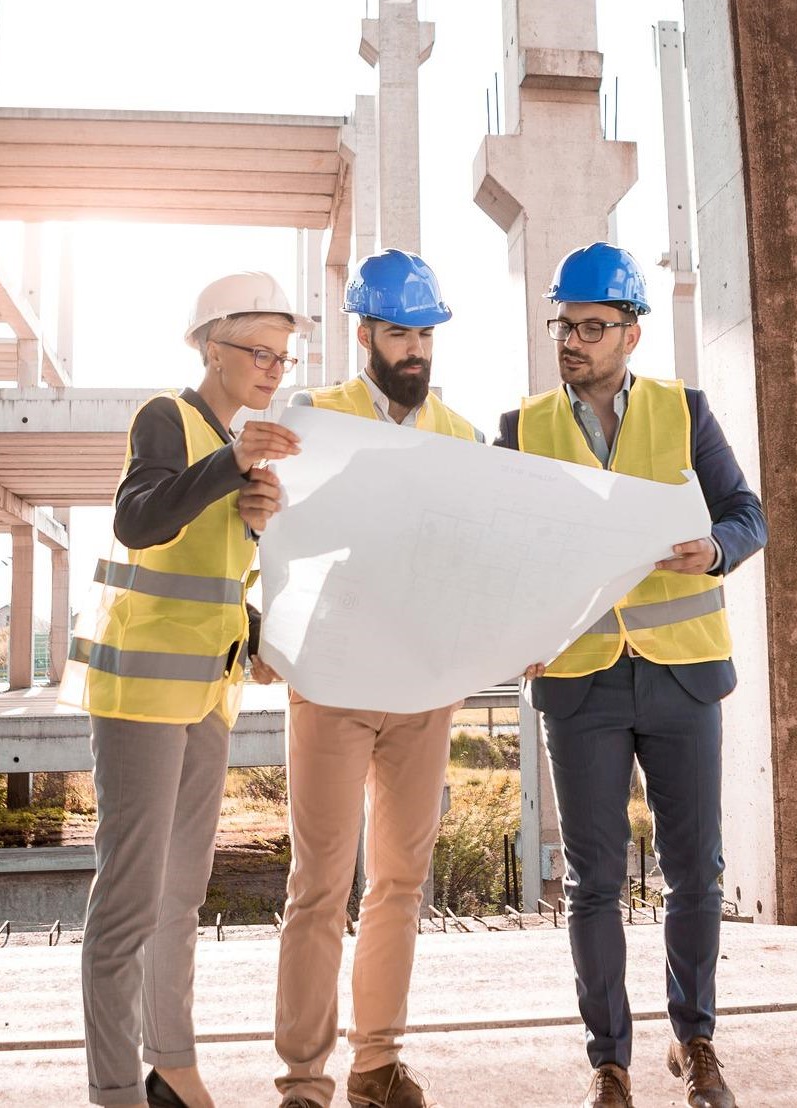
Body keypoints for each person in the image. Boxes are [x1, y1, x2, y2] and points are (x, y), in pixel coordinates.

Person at [493, 243, 766, 1108]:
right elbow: (500, 551)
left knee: (695, 872)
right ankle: (608, 1061)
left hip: (681, 676)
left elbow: (746, 514)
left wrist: (714, 548)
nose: (570, 340)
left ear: (631, 334)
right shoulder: (521, 427)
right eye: (562, 325)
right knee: (594, 882)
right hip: (580, 682)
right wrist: (514, 631)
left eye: (590, 326)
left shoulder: (683, 412)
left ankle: (695, 1043)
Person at [65, 271, 307, 1108]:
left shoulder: (233, 442)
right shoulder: (165, 416)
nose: (274, 367)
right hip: (139, 693)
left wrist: (251, 526)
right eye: (258, 351)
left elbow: (209, 573)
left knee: (179, 894)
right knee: (128, 900)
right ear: (211, 346)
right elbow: (138, 520)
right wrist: (229, 465)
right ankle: (112, 1090)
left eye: (284, 355)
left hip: (208, 693)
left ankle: (171, 1064)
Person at [253, 249, 478, 1108]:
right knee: (317, 886)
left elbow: (478, 556)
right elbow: (279, 534)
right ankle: (304, 1080)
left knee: (398, 884)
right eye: (397, 332)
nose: (414, 349)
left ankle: (375, 1064)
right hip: (335, 683)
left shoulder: (459, 437)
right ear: (364, 336)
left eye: (424, 334)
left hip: (422, 687)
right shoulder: (317, 416)